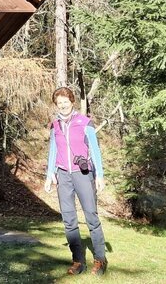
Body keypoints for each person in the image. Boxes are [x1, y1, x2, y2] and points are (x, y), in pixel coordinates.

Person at [44, 87, 108, 276]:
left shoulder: (85, 123)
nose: (63, 105)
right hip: (63, 176)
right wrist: (49, 175)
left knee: (91, 218)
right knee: (69, 220)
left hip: (83, 174)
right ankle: (78, 260)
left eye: (66, 101)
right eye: (59, 102)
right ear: (56, 105)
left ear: (72, 102)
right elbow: (53, 151)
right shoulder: (55, 125)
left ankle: (100, 259)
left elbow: (95, 151)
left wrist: (100, 175)